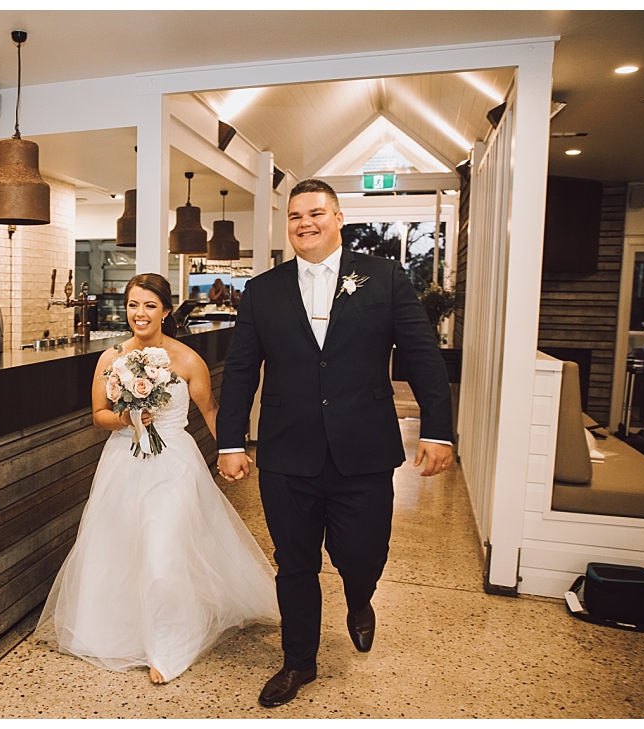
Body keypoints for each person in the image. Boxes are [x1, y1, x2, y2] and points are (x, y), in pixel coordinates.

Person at [216, 179, 453, 708]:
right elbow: (241, 370)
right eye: (295, 215)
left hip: (364, 448)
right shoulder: (263, 290)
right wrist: (230, 441)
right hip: (287, 451)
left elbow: (421, 355)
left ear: (339, 218)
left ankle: (360, 596)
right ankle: (299, 661)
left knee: (363, 553)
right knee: (295, 562)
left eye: (316, 213)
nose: (305, 223)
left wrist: (437, 429)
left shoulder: (384, 277)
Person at [38, 273, 279, 685]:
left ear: (166, 311)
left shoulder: (187, 359)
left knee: (164, 552)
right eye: (133, 305)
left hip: (174, 463)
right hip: (123, 461)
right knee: (118, 550)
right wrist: (128, 419)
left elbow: (210, 410)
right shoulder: (110, 358)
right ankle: (121, 631)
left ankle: (169, 644)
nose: (140, 313)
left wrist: (231, 450)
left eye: (150, 305)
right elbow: (98, 416)